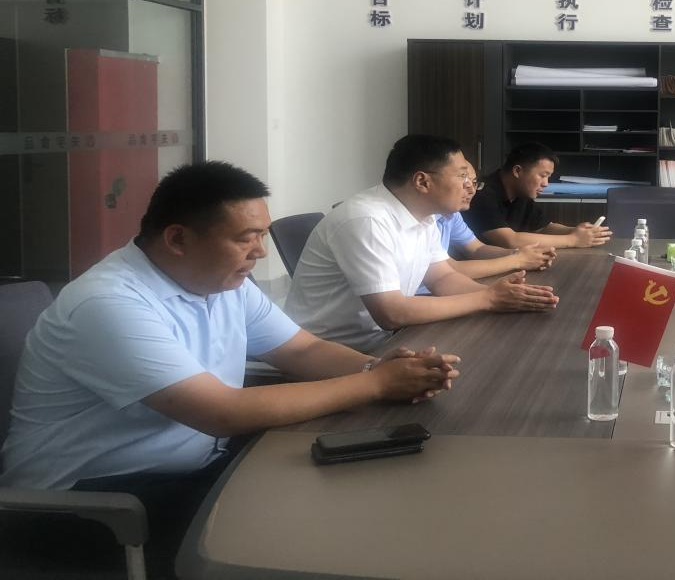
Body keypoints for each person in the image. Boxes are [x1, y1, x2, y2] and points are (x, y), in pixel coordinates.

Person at [0, 161, 460, 576]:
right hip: (91, 505)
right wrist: (376, 385)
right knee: (315, 530)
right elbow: (221, 412)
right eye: (246, 237)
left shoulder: (222, 282)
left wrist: (380, 366)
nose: (260, 252)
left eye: (262, 235)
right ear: (178, 239)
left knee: (355, 486)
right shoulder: (108, 303)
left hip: (191, 466)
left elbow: (301, 350)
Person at [285, 135, 559, 353]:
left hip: (387, 341)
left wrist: (506, 296)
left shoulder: (424, 216)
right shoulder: (367, 220)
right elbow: (391, 312)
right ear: (422, 181)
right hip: (329, 356)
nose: (470, 186)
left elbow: (442, 278)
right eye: (462, 176)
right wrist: (487, 298)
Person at [418, 158, 557, 295]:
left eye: (473, 182)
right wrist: (517, 260)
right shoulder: (420, 218)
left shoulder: (452, 214)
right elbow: (449, 270)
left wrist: (519, 254)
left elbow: (476, 248)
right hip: (422, 297)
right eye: (462, 178)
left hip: (438, 292)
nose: (472, 190)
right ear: (423, 182)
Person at [463, 142, 612, 249]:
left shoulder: (521, 193)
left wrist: (575, 231)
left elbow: (544, 227)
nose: (546, 184)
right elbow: (509, 240)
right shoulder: (481, 194)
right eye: (542, 175)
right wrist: (573, 239)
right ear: (517, 171)